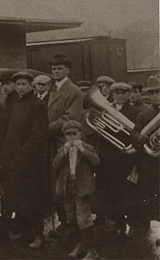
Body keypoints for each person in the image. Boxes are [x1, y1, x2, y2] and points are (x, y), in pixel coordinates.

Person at [1, 71, 49, 249]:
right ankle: (22, 229)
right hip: (15, 160)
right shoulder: (16, 103)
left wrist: (23, 153)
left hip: (31, 162)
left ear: (32, 85)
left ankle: (39, 235)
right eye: (18, 84)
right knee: (18, 197)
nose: (20, 87)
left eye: (24, 84)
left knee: (33, 199)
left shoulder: (37, 105)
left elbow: (39, 135)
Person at [95, 82, 140, 233]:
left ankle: (122, 223)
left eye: (123, 93)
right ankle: (113, 220)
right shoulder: (106, 110)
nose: (120, 96)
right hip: (107, 157)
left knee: (123, 192)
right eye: (117, 93)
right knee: (107, 190)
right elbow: (100, 130)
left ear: (128, 94)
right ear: (113, 94)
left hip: (123, 158)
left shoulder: (135, 112)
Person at [47, 54, 83, 235]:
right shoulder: (53, 89)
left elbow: (69, 119)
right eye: (53, 69)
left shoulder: (73, 91)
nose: (55, 71)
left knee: (67, 184)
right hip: (53, 143)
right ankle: (64, 221)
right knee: (56, 184)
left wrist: (46, 128)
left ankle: (73, 224)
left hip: (65, 143)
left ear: (67, 70)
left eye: (59, 68)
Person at [53, 120, 100, 259]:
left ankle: (91, 249)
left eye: (74, 134)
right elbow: (55, 165)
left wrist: (83, 150)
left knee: (83, 217)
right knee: (71, 216)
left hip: (82, 187)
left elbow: (96, 161)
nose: (72, 137)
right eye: (68, 135)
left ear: (81, 134)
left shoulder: (87, 147)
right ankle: (79, 244)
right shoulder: (63, 149)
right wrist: (64, 152)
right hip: (67, 186)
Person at [130, 76, 160, 233]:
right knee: (150, 200)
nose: (155, 96)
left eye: (158, 92)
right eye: (152, 93)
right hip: (150, 164)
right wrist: (138, 138)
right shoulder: (144, 114)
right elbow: (134, 135)